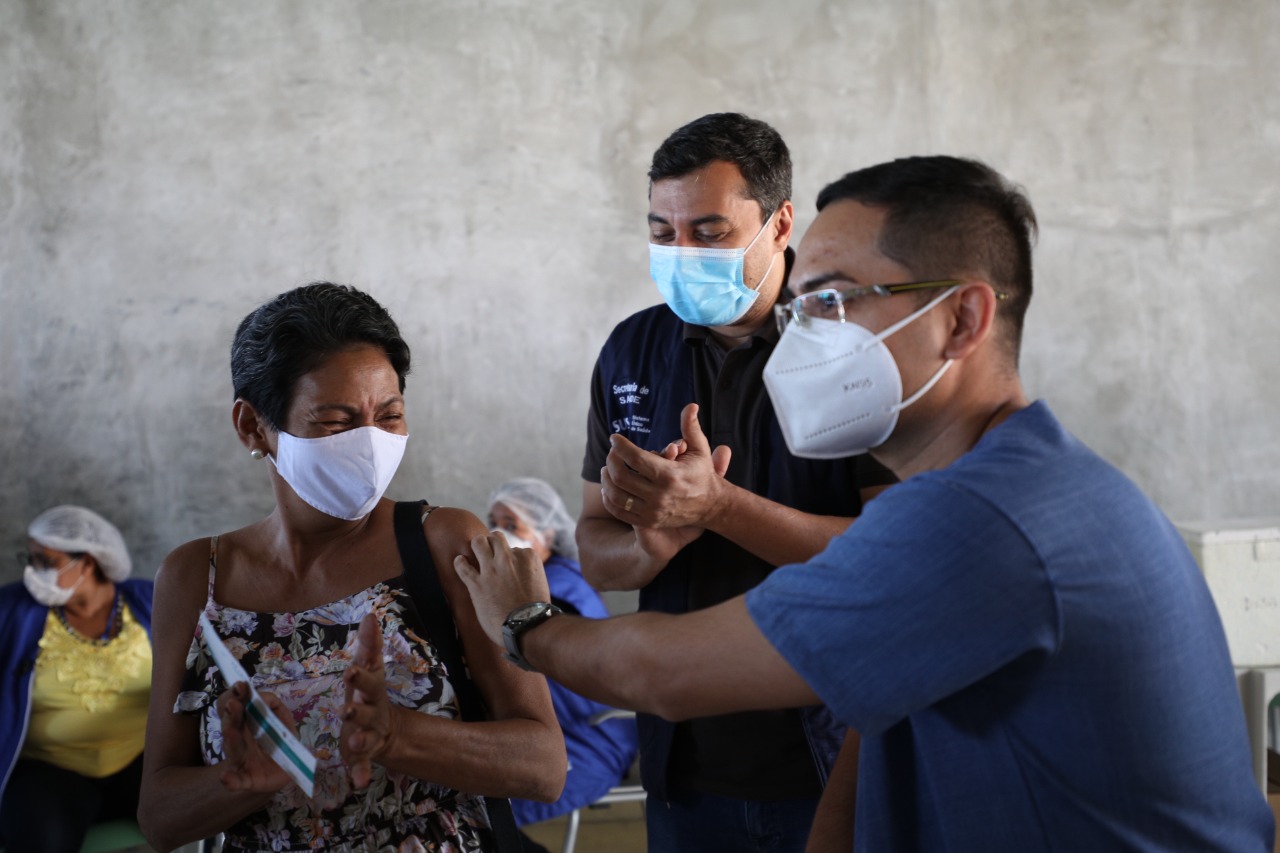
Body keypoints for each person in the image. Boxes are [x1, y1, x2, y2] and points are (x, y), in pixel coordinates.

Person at [457, 156, 1276, 851]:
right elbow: (882, 705)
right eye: (799, 305)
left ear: (961, 318)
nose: (804, 334)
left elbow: (662, 673)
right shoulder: (1018, 481)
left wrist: (529, 624)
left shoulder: (987, 520)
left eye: (833, 301)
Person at [138, 283, 565, 853]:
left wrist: (400, 736)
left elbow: (543, 767)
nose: (370, 444)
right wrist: (240, 785)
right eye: (336, 422)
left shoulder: (444, 545)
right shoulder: (198, 577)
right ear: (251, 426)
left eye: (389, 416)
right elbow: (159, 817)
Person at [577, 112, 895, 852]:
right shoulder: (632, 350)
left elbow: (893, 557)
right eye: (662, 232)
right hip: (682, 759)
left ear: (780, 223)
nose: (681, 254)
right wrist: (654, 545)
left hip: (828, 756)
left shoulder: (853, 351)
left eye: (711, 233)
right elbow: (596, 548)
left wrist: (720, 508)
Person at [487, 477, 638, 850]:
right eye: (492, 522)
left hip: (587, 739)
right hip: (548, 729)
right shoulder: (537, 585)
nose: (497, 534)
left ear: (547, 534)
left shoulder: (557, 593)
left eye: (511, 525)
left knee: (483, 802)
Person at [0, 505, 153, 853]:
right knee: (41, 840)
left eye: (45, 562)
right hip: (49, 770)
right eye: (31, 558)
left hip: (139, 761)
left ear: (87, 563)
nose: (32, 571)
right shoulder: (11, 612)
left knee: (205, 811)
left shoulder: (150, 601)